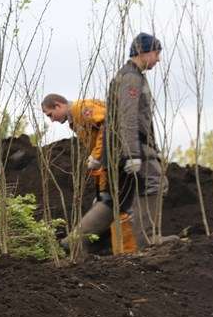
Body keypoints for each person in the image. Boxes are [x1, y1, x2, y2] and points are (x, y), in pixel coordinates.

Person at [104, 32, 167, 253]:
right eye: (157, 53)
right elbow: (127, 116)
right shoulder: (130, 77)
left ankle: (147, 240)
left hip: (139, 145)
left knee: (132, 194)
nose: (158, 59)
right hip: (137, 146)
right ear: (143, 52)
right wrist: (132, 154)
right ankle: (148, 242)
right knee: (154, 184)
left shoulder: (135, 76)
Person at [42, 94, 112, 253]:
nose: (51, 120)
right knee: (105, 199)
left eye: (50, 115)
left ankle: (73, 244)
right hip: (109, 164)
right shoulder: (74, 121)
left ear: (58, 105)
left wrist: (97, 155)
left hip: (119, 160)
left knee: (112, 202)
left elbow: (108, 123)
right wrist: (101, 188)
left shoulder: (80, 108)